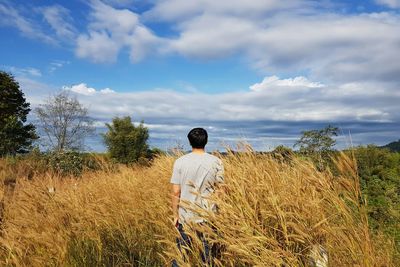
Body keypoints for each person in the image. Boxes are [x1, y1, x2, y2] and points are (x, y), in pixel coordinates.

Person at [170, 128, 224, 266]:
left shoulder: (180, 162)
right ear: (206, 141)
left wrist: (175, 214)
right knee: (208, 258)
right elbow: (221, 191)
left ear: (189, 142)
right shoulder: (216, 161)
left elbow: (176, 192)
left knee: (181, 256)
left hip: (185, 217)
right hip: (209, 216)